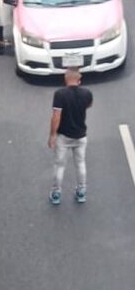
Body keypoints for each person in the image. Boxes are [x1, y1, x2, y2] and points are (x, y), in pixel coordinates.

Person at [48, 67, 93, 205]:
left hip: (64, 136)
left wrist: (52, 135)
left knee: (60, 165)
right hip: (80, 136)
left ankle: (56, 193)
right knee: (80, 164)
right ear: (79, 80)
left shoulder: (60, 94)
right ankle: (81, 192)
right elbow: (88, 105)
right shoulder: (87, 93)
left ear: (66, 78)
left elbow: (56, 116)